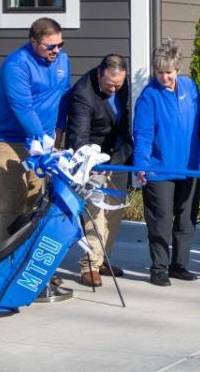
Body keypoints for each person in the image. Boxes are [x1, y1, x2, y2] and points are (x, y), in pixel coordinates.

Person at [133, 39, 200, 287]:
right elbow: (143, 135)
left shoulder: (189, 87)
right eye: (159, 72)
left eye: (168, 72)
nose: (164, 77)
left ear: (177, 69)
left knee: (186, 219)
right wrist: (141, 165)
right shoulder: (149, 97)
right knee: (161, 221)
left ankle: (179, 264)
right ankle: (159, 268)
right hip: (160, 168)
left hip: (189, 165)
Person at [0, 17, 71, 245]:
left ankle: (32, 266)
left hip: (43, 142)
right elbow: (23, 107)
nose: (56, 50)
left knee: (37, 203)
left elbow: (64, 96)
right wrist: (43, 139)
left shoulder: (62, 60)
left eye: (60, 44)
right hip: (11, 141)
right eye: (50, 46)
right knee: (12, 204)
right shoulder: (16, 65)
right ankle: (6, 265)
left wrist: (59, 132)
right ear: (34, 42)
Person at [66, 54, 132, 287]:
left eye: (119, 84)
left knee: (114, 212)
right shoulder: (83, 94)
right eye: (110, 84)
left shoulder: (121, 85)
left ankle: (102, 259)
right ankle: (89, 265)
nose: (114, 89)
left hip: (118, 157)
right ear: (99, 73)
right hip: (91, 161)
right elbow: (79, 138)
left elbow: (123, 123)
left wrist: (121, 155)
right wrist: (94, 166)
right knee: (94, 214)